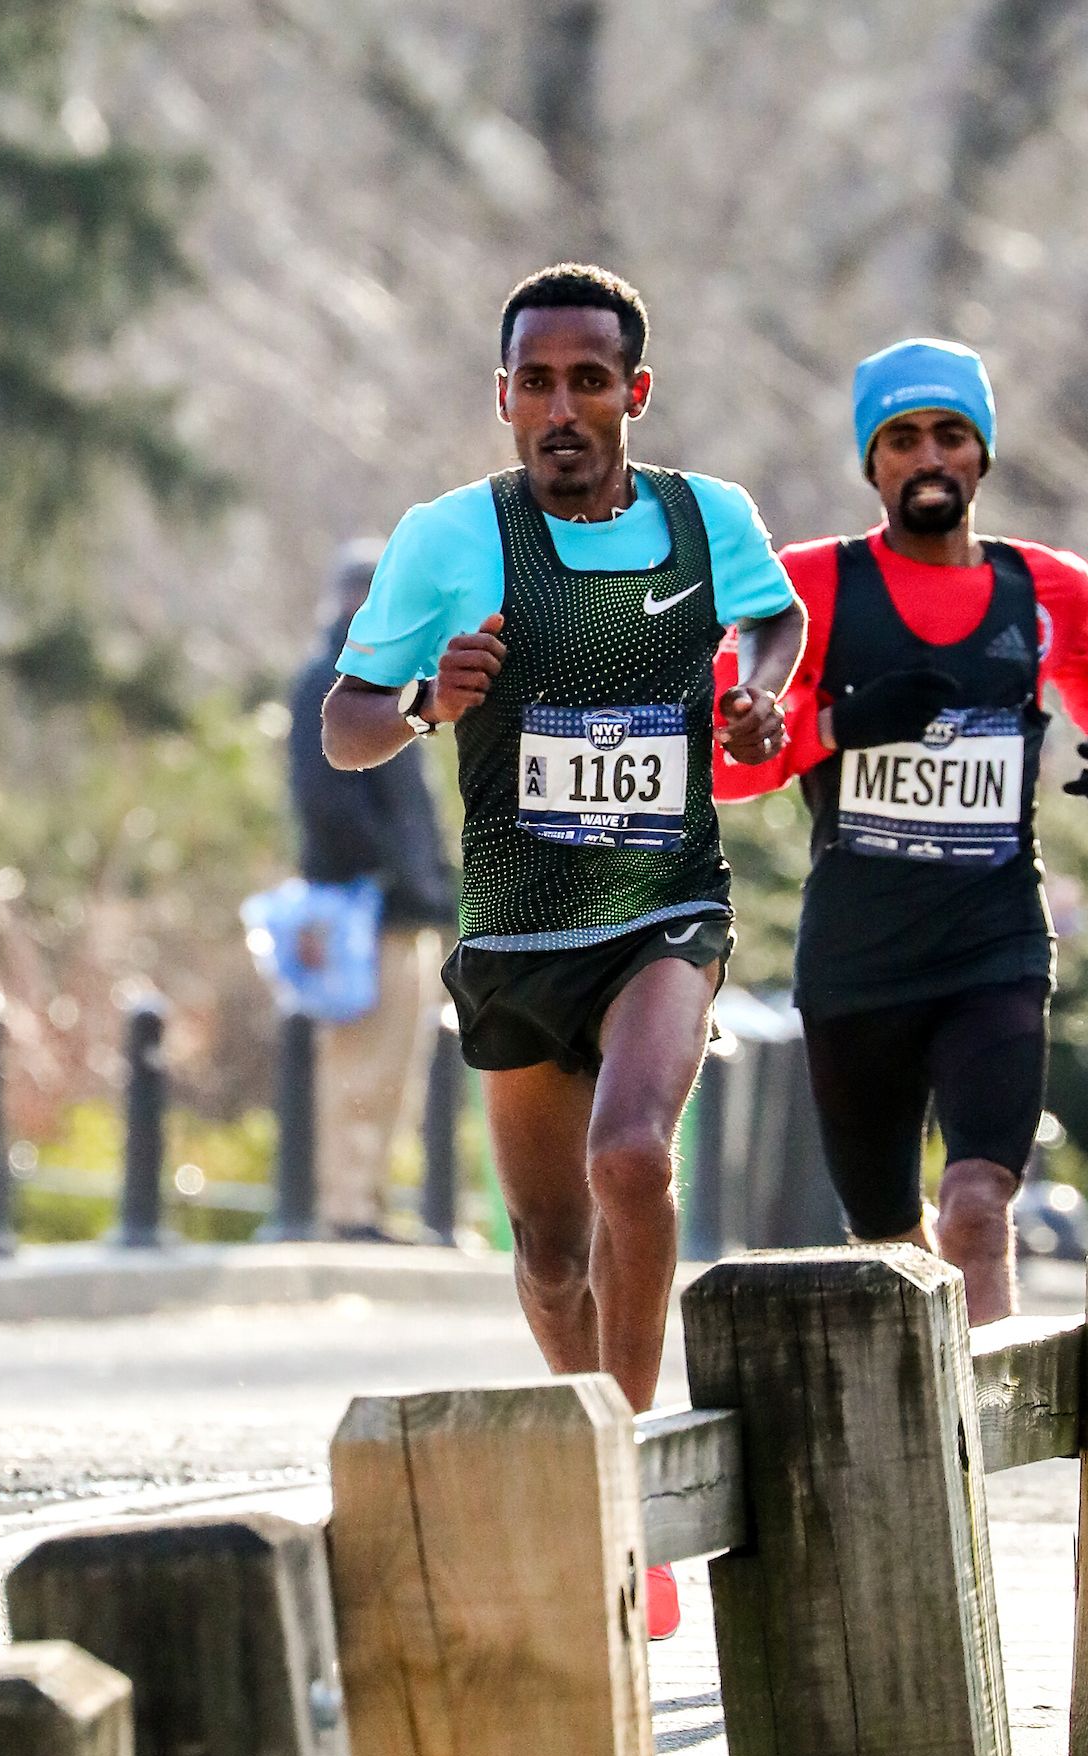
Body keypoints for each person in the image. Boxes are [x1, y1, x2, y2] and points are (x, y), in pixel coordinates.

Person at [323, 262, 805, 1638]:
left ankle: (629, 1481)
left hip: (664, 909)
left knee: (632, 1156)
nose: (562, 406)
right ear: (503, 398)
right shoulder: (448, 539)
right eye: (536, 381)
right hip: (520, 929)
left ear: (634, 394)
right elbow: (344, 719)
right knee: (546, 1253)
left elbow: (772, 616)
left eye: (589, 378)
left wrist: (758, 695)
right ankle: (594, 1433)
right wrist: (424, 699)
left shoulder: (710, 521)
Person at [716, 338, 1088, 1324]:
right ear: (872, 465)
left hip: (991, 940)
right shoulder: (809, 587)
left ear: (982, 457)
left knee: (978, 1204)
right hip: (858, 954)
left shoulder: (1046, 586)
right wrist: (834, 725)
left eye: (950, 435)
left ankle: (989, 1454)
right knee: (886, 1239)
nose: (928, 457)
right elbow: (726, 759)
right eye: (901, 439)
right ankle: (926, 1422)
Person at [287, 541, 460, 1240]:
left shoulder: (394, 679)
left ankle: (372, 1200)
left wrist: (433, 884)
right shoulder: (324, 684)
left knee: (397, 1066)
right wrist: (394, 871)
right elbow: (326, 802)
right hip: (360, 908)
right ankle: (346, 1204)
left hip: (405, 910)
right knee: (356, 1061)